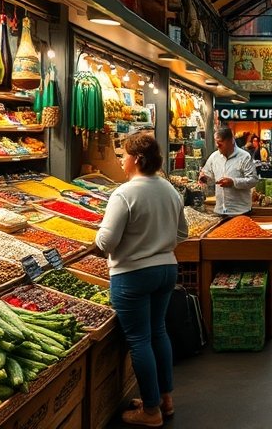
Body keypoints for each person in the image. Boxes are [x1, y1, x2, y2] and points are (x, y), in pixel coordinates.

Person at [96, 133, 188, 427]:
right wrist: (158, 244)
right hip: (166, 269)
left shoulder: (124, 194)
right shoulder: (170, 190)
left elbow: (107, 242)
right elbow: (182, 234)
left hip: (132, 274)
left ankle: (150, 411)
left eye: (123, 155)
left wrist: (96, 237)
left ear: (136, 159)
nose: (121, 160)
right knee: (158, 332)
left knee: (139, 340)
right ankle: (165, 398)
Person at [198, 127, 259, 219]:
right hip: (220, 211)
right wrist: (204, 178)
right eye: (216, 142)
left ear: (231, 141)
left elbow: (253, 180)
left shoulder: (244, 157)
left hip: (240, 212)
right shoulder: (214, 157)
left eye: (220, 143)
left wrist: (233, 182)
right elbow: (210, 179)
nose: (217, 146)